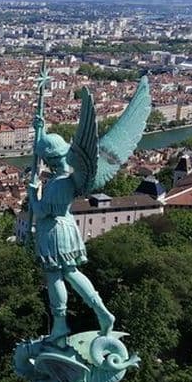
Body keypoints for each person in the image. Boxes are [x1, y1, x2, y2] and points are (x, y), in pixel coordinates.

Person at [28, 115, 115, 341]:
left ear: (49, 160)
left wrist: (33, 193)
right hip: (67, 227)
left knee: (54, 276)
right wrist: (41, 130)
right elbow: (46, 151)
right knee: (72, 272)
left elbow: (41, 212)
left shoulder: (57, 185)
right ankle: (101, 310)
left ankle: (60, 323)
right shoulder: (71, 177)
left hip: (53, 230)